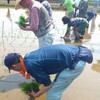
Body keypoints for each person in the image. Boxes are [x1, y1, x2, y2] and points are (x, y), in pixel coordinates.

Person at [4, 44, 93, 100]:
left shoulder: (30, 66)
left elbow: (48, 84)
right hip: (76, 52)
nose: (14, 71)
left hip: (76, 63)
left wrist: (36, 95)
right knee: (56, 83)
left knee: (52, 93)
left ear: (14, 66)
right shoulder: (28, 56)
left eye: (12, 69)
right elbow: (41, 69)